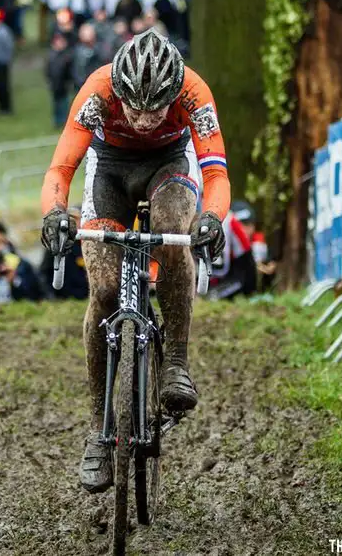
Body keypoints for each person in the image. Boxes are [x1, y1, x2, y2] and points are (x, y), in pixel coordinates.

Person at [40, 28, 229, 493]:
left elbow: (216, 173)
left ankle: (176, 363)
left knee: (173, 232)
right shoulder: (97, 91)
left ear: (174, 94)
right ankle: (96, 435)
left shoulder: (194, 92)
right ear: (118, 93)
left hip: (170, 165)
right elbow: (61, 168)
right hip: (109, 168)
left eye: (156, 109)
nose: (144, 119)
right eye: (134, 108)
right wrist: (53, 216)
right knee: (104, 292)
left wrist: (211, 219)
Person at [207, 201, 275, 300]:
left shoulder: (258, 243)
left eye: (249, 224)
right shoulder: (222, 240)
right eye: (241, 224)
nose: (245, 229)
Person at [38, 206, 89, 300]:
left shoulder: (87, 243)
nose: (73, 223)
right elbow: (44, 272)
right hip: (62, 298)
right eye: (71, 218)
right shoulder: (56, 243)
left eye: (77, 219)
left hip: (85, 296)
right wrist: (51, 296)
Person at [45, 32, 74, 129]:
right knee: (57, 104)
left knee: (63, 103)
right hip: (55, 85)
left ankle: (63, 121)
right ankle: (58, 121)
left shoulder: (66, 56)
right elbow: (49, 71)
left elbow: (68, 71)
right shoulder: (52, 56)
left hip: (63, 85)